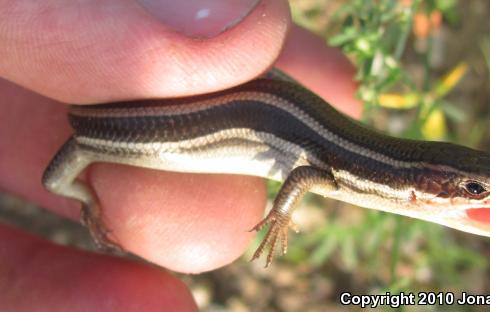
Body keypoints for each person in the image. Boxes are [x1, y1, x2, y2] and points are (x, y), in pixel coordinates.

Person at [0, 0, 360, 309]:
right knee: (54, 180)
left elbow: (307, 175)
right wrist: (279, 215)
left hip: (120, 127)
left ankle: (88, 199)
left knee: (56, 181)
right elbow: (304, 176)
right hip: (104, 131)